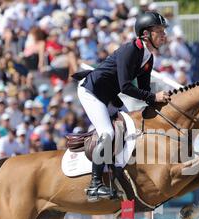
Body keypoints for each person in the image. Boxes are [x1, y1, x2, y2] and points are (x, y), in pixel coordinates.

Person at [72, 12, 170, 201]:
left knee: (132, 129)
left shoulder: (148, 58)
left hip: (110, 96)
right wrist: (153, 96)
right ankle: (95, 185)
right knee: (107, 133)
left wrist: (160, 103)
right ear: (145, 34)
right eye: (159, 31)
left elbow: (144, 90)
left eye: (163, 31)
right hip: (92, 93)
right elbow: (126, 86)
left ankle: (119, 173)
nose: (163, 35)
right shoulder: (130, 50)